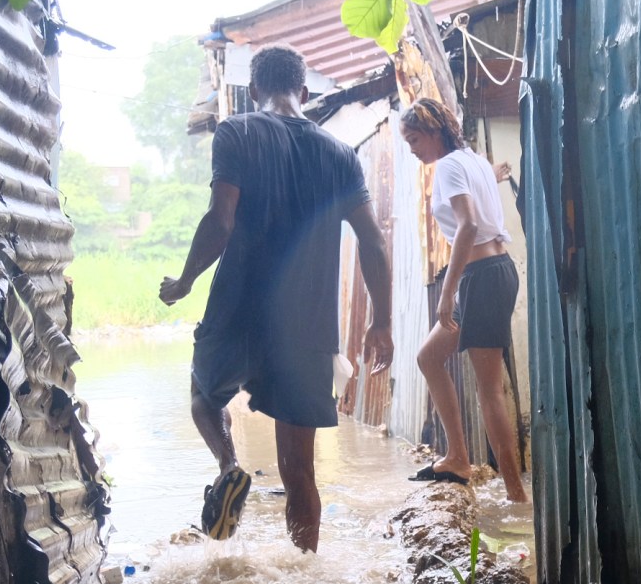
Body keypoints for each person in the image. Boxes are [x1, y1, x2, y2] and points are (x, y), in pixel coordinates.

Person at [158, 44, 394, 552]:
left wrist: (184, 282)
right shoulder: (340, 155)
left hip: (239, 310)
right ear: (304, 92)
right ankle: (304, 579)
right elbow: (374, 241)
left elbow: (221, 221)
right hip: (308, 328)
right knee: (300, 471)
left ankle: (229, 465)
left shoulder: (237, 132)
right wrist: (382, 321)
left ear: (254, 90)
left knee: (204, 394)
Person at [398, 97, 529, 503]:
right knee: (428, 357)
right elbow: (476, 203)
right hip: (493, 273)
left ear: (434, 132)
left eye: (415, 139)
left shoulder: (450, 166)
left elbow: (468, 225)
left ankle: (516, 496)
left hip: (481, 278)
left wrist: (448, 290)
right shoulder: (470, 160)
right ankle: (457, 457)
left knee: (490, 389)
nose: (413, 149)